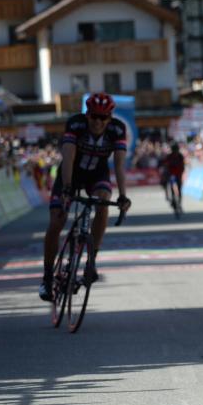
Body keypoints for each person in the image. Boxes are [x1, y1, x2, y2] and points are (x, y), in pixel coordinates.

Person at [39, 93, 131, 301]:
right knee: (57, 221)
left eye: (103, 118)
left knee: (103, 202)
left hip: (97, 174)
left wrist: (123, 195)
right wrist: (67, 189)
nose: (98, 122)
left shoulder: (117, 130)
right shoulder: (76, 124)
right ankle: (46, 278)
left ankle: (91, 261)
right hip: (71, 173)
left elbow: (118, 165)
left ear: (110, 118)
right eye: (94, 117)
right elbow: (68, 156)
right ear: (87, 115)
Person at [162, 141, 185, 207]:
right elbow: (165, 164)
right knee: (172, 187)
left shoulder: (180, 156)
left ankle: (179, 202)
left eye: (176, 149)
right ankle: (173, 200)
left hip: (178, 174)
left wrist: (181, 171)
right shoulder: (169, 156)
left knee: (179, 188)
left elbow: (182, 165)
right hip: (172, 174)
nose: (175, 151)